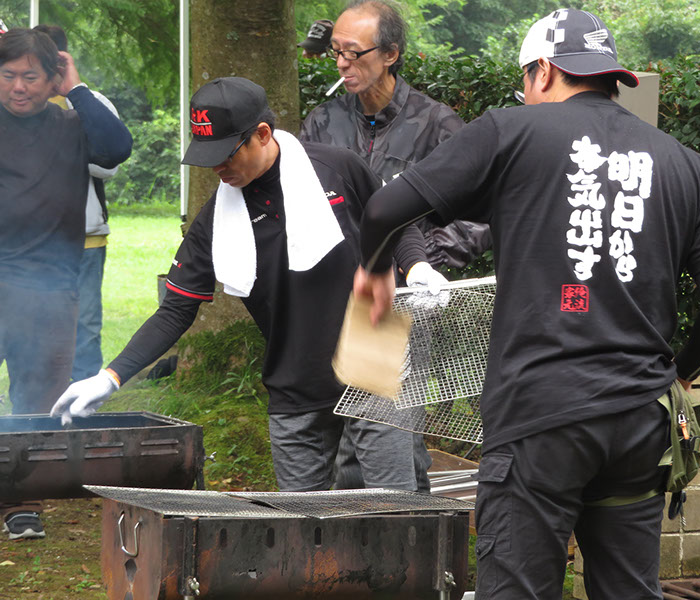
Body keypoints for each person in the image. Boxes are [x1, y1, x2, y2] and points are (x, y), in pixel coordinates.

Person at [353, 8, 700, 599]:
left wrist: (374, 274)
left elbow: (386, 209)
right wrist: (683, 372)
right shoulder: (686, 163)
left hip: (538, 418)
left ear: (542, 70)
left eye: (525, 79)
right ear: (609, 76)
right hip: (641, 420)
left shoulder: (509, 132)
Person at [51, 76, 444, 496]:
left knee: (393, 507)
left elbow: (392, 221)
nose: (217, 168)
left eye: (226, 153)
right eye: (207, 156)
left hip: (374, 363)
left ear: (263, 134)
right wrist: (110, 377)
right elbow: (176, 309)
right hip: (294, 382)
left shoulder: (337, 168)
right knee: (301, 522)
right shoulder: (216, 219)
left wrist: (417, 266)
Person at [300, 0, 491, 493]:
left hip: (401, 302)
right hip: (337, 298)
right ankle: (368, 525)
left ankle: (405, 522)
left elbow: (479, 213)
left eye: (354, 52)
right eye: (336, 51)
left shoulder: (437, 124)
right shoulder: (322, 123)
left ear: (390, 54)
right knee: (355, 431)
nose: (342, 63)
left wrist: (421, 264)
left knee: (389, 435)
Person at [0, 27, 132, 540]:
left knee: (37, 397)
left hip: (49, 285)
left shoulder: (73, 124)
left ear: (52, 78)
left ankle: (21, 502)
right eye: (8, 75)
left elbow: (116, 148)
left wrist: (75, 87)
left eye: (30, 77)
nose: (18, 87)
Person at [34, 23, 124, 382]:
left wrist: (60, 150)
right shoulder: (17, 102)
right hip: (28, 240)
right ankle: (35, 400)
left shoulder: (90, 102)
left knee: (84, 325)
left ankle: (82, 401)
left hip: (85, 237)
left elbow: (109, 164)